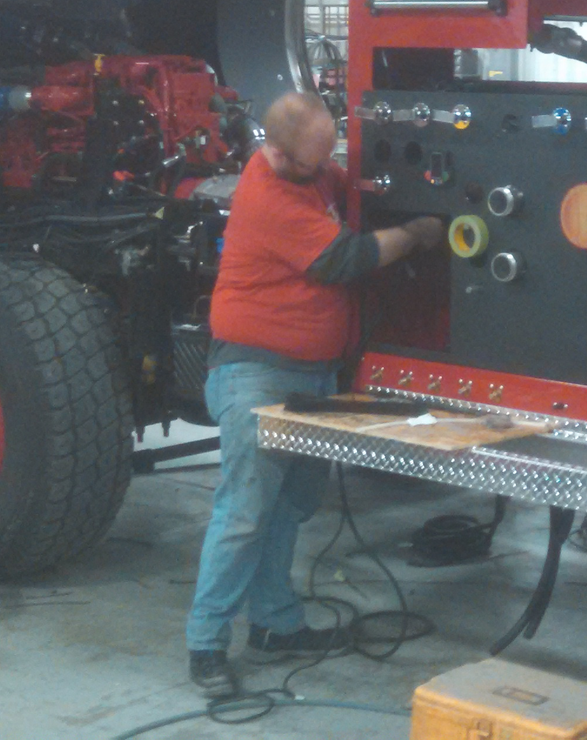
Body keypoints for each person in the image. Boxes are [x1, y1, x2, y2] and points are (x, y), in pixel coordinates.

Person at [186, 92, 444, 698]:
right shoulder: (269, 193)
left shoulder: (310, 172)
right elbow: (344, 257)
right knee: (246, 512)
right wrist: (415, 232)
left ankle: (275, 626)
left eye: (331, 155)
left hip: (312, 376)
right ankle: (205, 644)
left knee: (289, 507)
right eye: (314, 160)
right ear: (275, 151)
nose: (327, 169)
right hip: (258, 374)